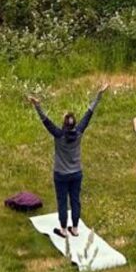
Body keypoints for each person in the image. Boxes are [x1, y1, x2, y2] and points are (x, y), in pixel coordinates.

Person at [30, 86, 104, 237]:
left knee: (62, 202)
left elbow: (45, 121)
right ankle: (75, 228)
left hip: (61, 174)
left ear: (64, 124)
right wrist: (98, 96)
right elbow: (89, 113)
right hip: (76, 173)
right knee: (75, 201)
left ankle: (63, 229)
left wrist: (37, 105)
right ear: (74, 124)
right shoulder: (79, 132)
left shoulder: (58, 135)